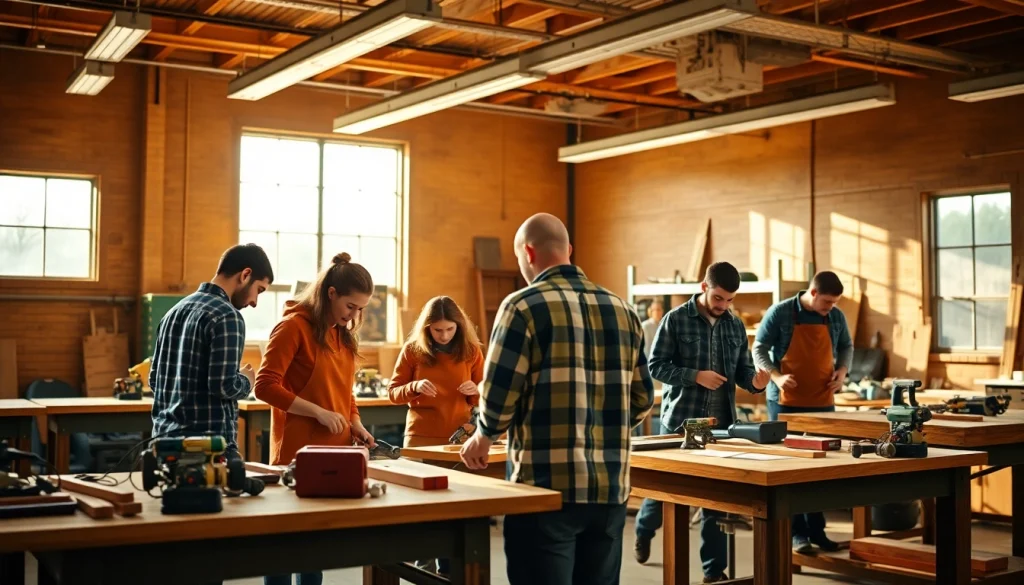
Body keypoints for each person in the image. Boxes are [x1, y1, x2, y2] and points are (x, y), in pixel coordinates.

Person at [460, 213, 655, 585]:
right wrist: (599, 426)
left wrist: (483, 436)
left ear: (528, 253)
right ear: (569, 250)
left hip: (545, 488)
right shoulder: (624, 311)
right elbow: (643, 396)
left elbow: (501, 393)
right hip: (610, 488)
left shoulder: (522, 306)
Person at [634, 261, 770, 584]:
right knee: (665, 495)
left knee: (715, 499)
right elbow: (655, 366)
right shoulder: (675, 320)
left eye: (730, 300)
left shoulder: (734, 326)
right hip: (683, 424)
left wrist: (758, 382)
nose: (724, 305)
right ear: (703, 287)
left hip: (720, 426)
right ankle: (643, 528)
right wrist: (695, 376)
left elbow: (743, 373)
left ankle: (713, 572)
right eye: (719, 298)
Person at [254, 252, 377, 585]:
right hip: (296, 453)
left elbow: (344, 392)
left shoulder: (342, 334)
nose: (355, 316)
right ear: (331, 293)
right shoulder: (293, 327)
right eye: (350, 306)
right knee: (284, 548)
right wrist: (318, 412)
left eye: (361, 309)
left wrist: (356, 423)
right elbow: (264, 386)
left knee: (313, 552)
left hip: (334, 455)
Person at [752, 270, 852, 554]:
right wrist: (776, 376)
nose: (831, 308)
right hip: (785, 401)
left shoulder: (835, 317)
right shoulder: (780, 312)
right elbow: (759, 348)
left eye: (835, 303)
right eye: (828, 302)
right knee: (791, 468)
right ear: (814, 292)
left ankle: (817, 532)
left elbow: (846, 345)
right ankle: (797, 535)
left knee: (821, 468)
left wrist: (842, 370)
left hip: (822, 399)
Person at [150, 243, 273, 452]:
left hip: (163, 443)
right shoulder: (227, 316)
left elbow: (155, 381)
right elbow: (224, 386)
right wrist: (246, 380)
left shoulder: (173, 312)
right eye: (259, 290)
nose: (254, 302)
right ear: (245, 275)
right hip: (208, 450)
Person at [387, 295, 484, 448]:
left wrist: (476, 391)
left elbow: (486, 399)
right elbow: (393, 394)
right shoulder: (412, 350)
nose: (444, 336)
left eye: (450, 329)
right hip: (420, 436)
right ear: (427, 328)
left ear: (459, 326)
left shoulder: (472, 351)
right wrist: (414, 387)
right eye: (437, 330)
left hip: (460, 437)